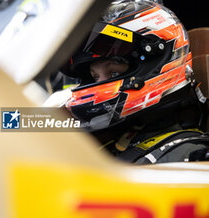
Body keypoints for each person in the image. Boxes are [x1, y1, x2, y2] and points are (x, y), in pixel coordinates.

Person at [54, 0, 209, 164]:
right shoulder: (117, 142)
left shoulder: (191, 155)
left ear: (156, 61)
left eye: (113, 72)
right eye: (95, 77)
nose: (101, 83)